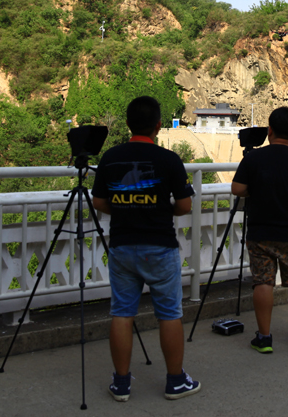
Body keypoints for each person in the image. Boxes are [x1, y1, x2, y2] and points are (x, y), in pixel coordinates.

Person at [92, 96, 201, 402]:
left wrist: (127, 209)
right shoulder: (169, 160)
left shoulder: (111, 158)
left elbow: (99, 202)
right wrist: (157, 209)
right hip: (160, 247)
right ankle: (176, 381)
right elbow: (184, 205)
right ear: (158, 125)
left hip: (122, 246)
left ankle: (122, 384)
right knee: (169, 314)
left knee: (122, 313)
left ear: (127, 124)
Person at [231, 107, 288, 353]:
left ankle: (264, 337)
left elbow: (237, 189)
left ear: (270, 130)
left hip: (259, 231)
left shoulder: (253, 159)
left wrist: (255, 189)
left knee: (263, 282)